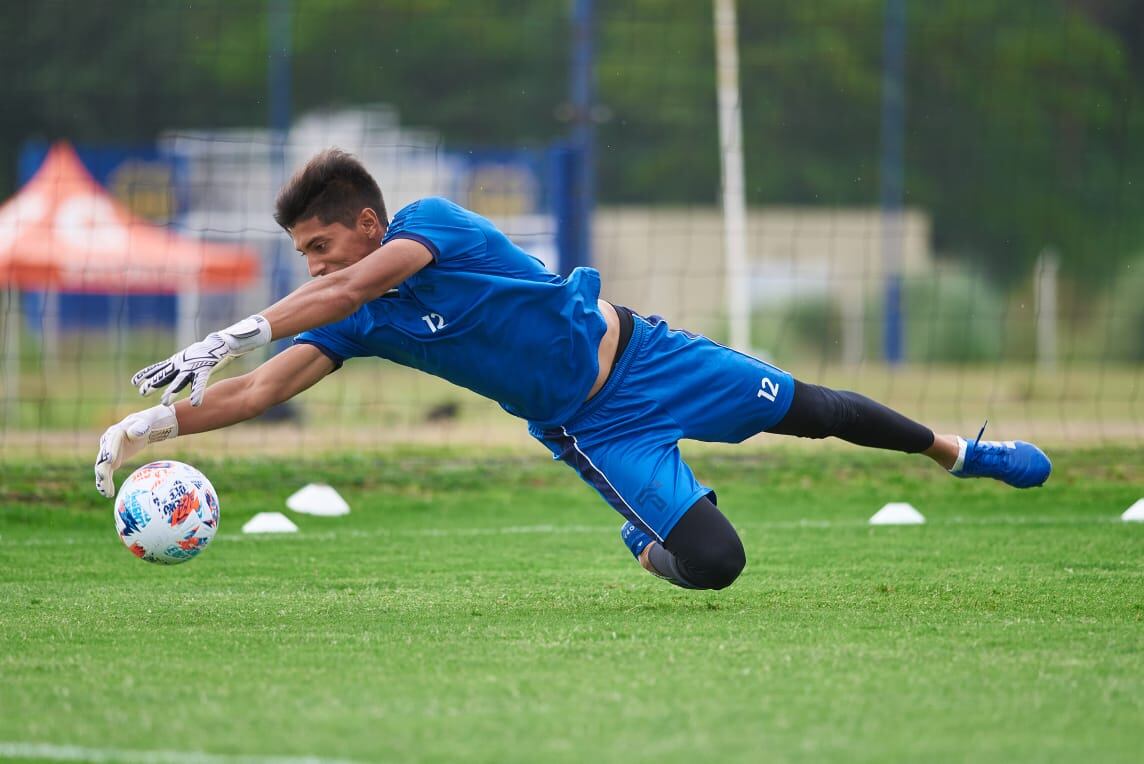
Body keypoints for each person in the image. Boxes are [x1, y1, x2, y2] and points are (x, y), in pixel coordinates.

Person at [94, 149, 1051, 591]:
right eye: (299, 253)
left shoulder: (433, 227)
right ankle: (642, 536)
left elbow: (340, 296)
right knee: (716, 567)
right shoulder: (360, 322)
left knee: (813, 405)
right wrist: (153, 427)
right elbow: (262, 391)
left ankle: (958, 452)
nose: (313, 264)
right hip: (593, 428)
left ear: (369, 226)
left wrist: (231, 329)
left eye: (318, 243)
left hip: (647, 354)